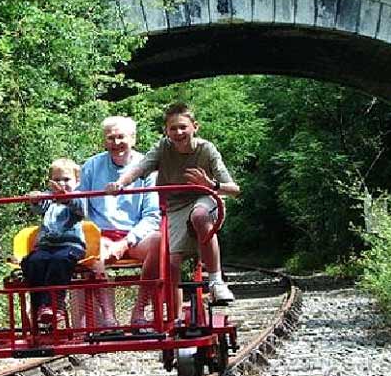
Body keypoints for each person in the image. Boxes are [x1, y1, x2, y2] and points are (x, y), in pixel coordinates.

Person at [106, 103, 239, 306]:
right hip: (175, 206)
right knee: (171, 263)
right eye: (173, 128)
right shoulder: (163, 148)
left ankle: (216, 281)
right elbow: (140, 168)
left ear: (195, 127)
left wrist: (211, 185)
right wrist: (120, 184)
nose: (178, 133)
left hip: (205, 197)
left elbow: (234, 189)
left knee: (200, 216)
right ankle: (172, 317)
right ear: (166, 131)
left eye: (183, 127)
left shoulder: (206, 149)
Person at [78, 116, 160, 326]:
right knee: (91, 247)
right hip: (101, 234)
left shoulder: (147, 167)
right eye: (110, 138)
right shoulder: (92, 166)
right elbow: (79, 203)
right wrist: (55, 198)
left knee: (159, 243)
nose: (116, 143)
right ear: (104, 141)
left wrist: (126, 242)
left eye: (121, 137)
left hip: (135, 235)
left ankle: (139, 312)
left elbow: (152, 215)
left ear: (133, 138)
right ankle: (108, 318)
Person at [22, 159, 87, 328]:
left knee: (59, 261)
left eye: (66, 179)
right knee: (34, 261)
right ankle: (39, 307)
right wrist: (35, 199)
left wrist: (65, 198)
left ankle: (55, 305)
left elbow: (80, 210)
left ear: (77, 181)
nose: (61, 184)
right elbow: (38, 208)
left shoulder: (78, 197)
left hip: (70, 245)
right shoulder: (49, 199)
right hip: (47, 245)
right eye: (57, 180)